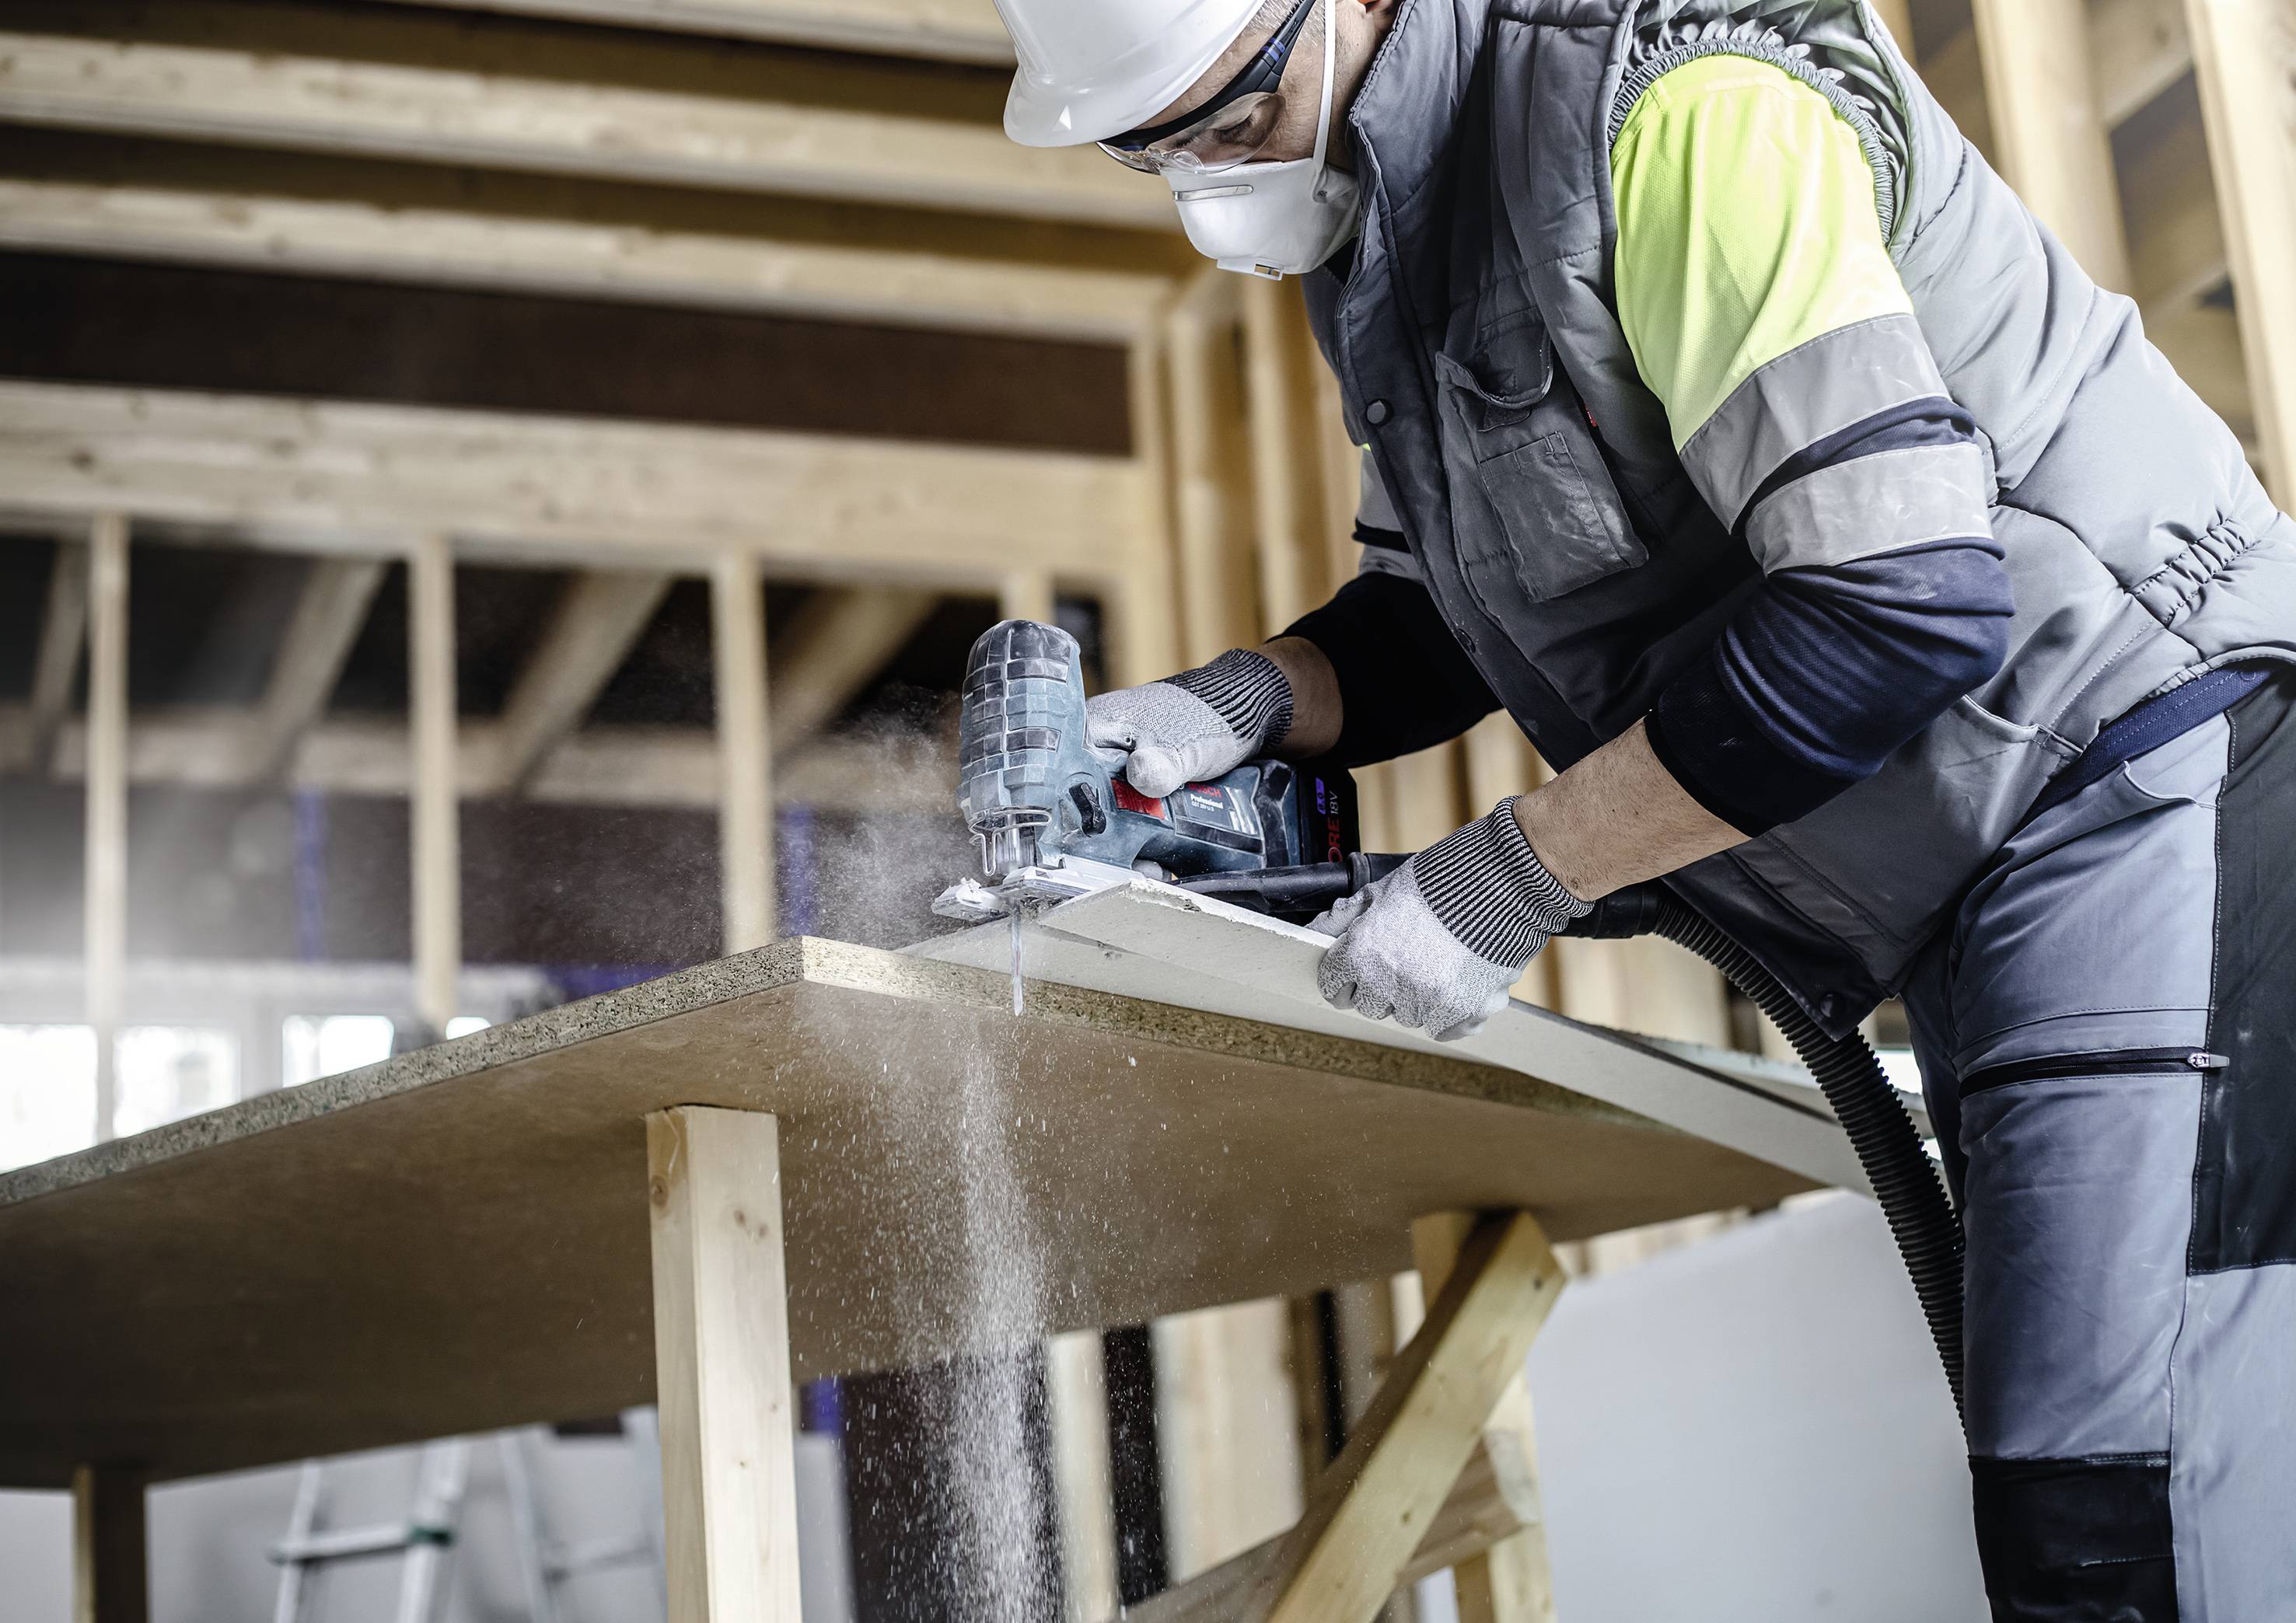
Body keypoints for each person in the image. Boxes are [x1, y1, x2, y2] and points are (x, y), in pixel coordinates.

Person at [987, 0, 2296, 1614]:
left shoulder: (1675, 112)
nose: (1200, 178)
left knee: (2122, 1519)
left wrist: (1512, 877)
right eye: (1149, 147)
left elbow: (1895, 601)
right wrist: (1237, 706)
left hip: (2148, 792)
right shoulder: (1399, 223)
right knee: (2079, 1509)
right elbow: (1446, 614)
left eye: (1225, 119)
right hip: (1988, 865)